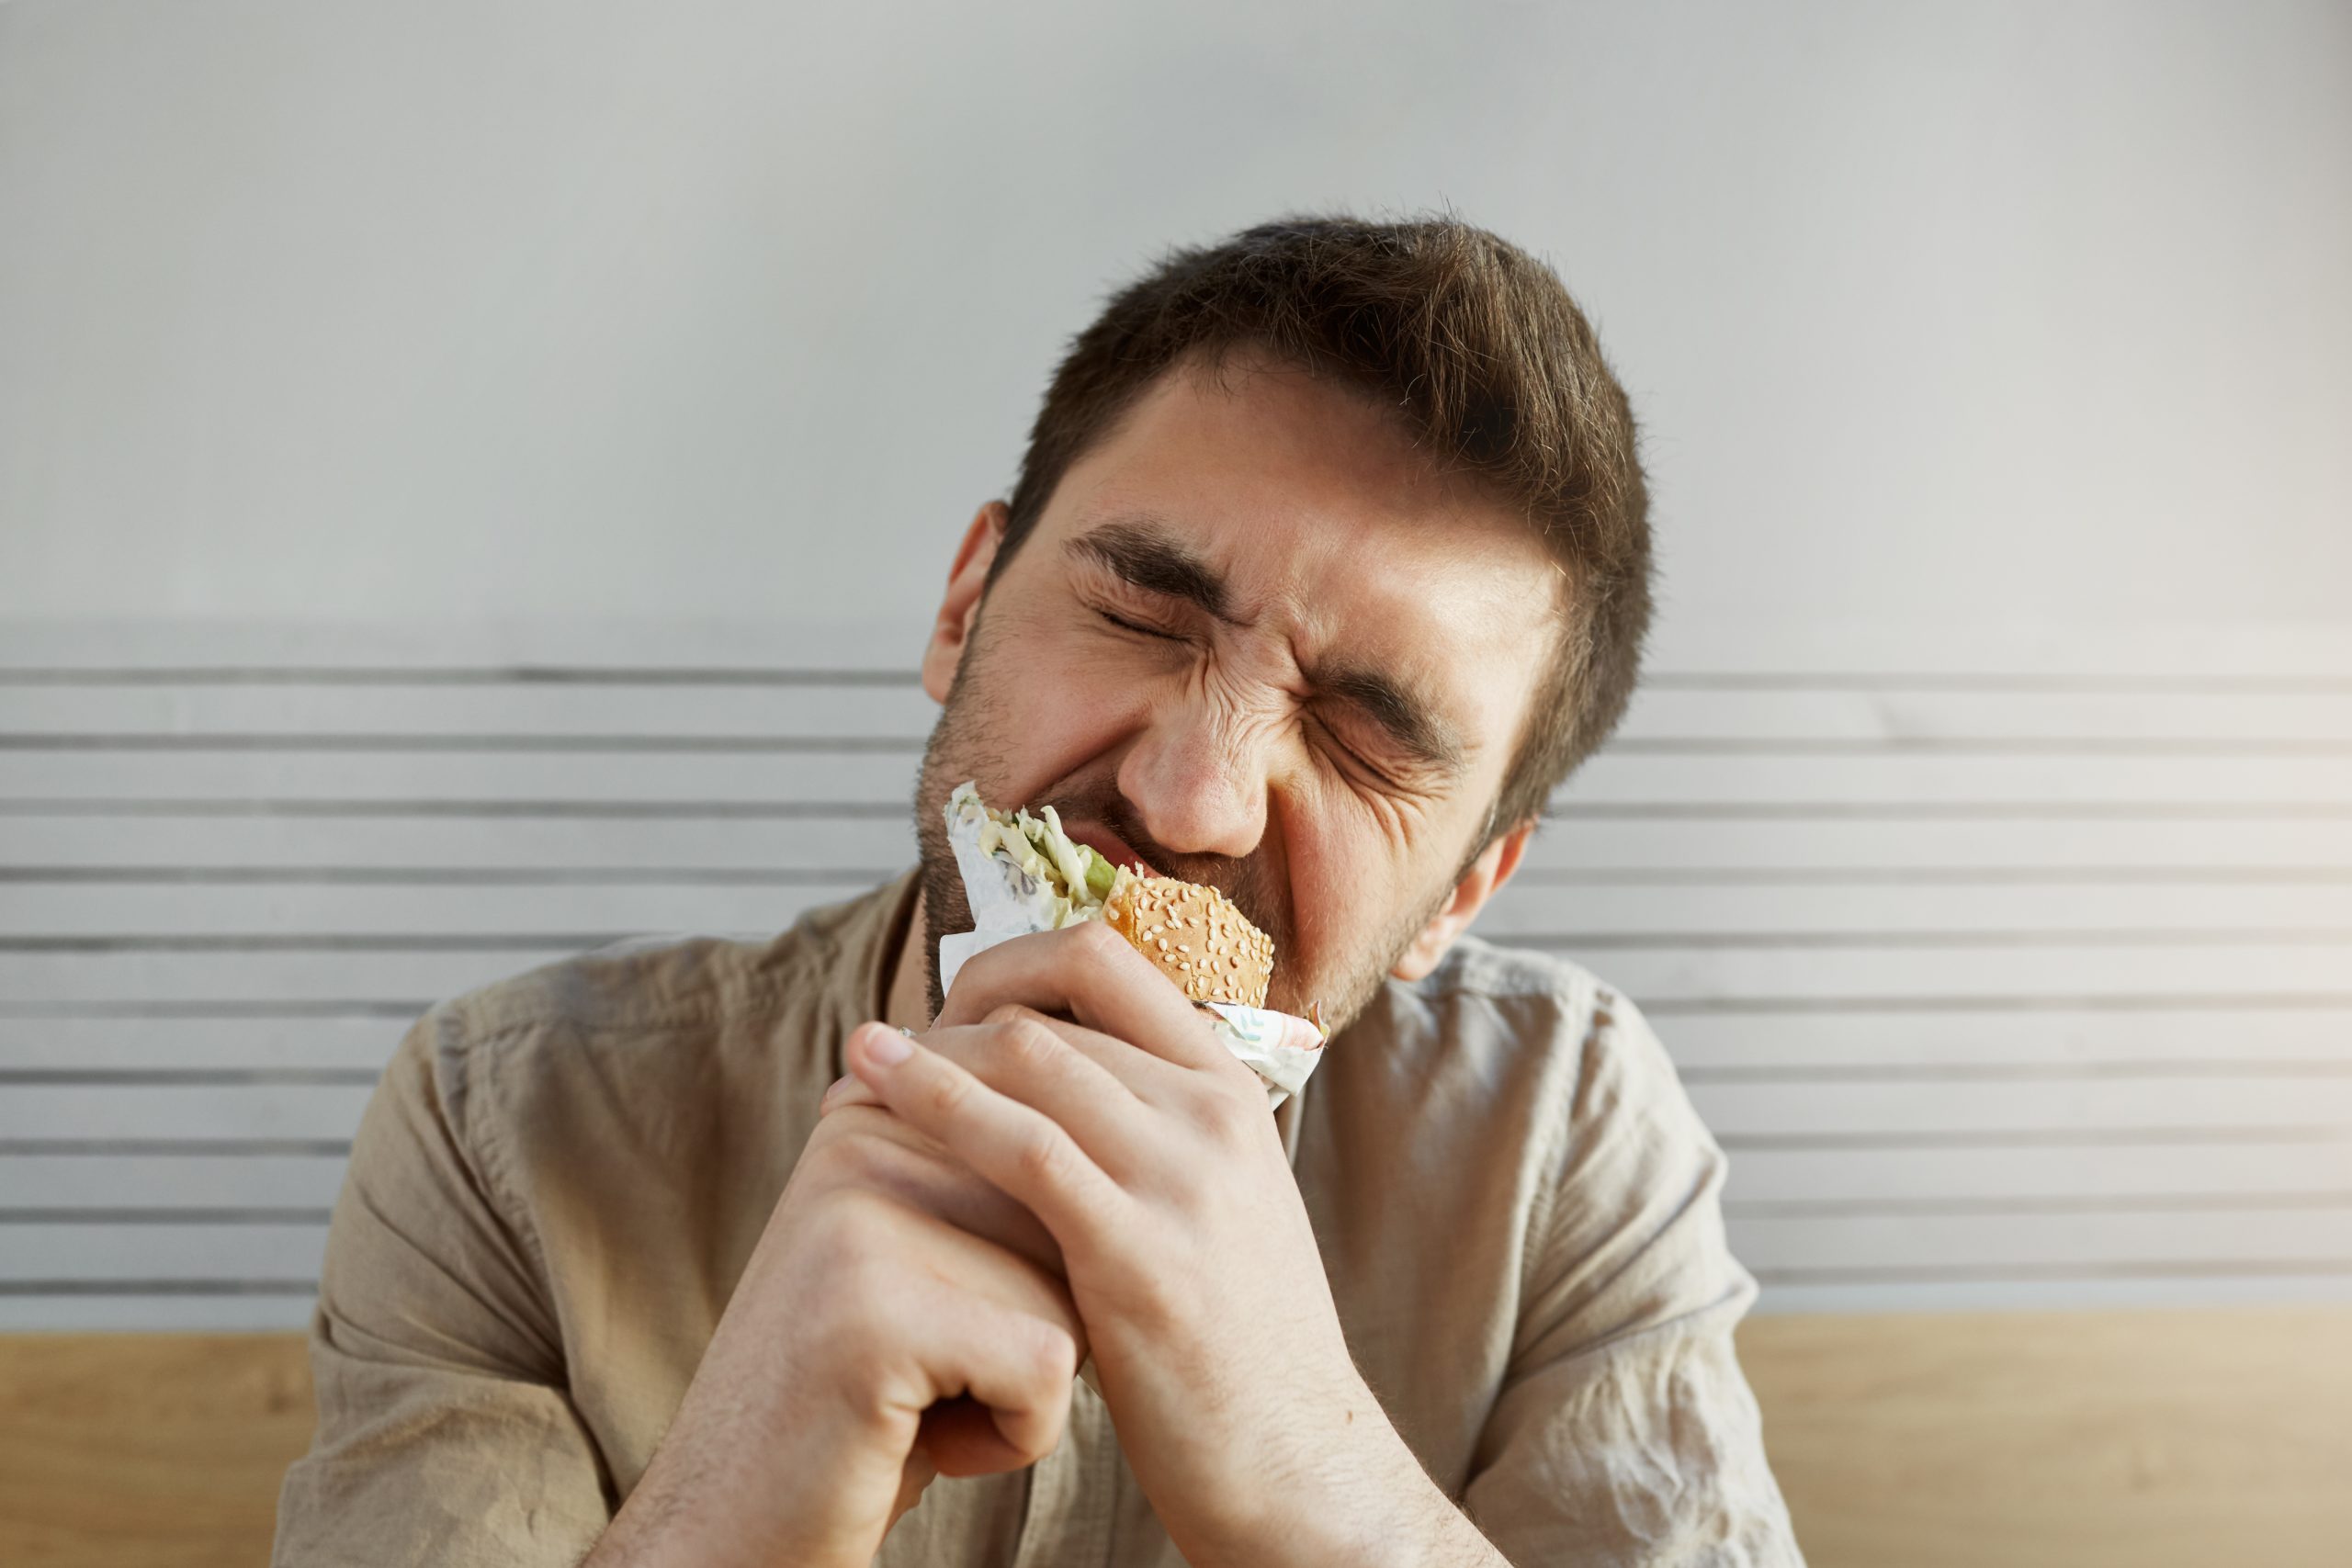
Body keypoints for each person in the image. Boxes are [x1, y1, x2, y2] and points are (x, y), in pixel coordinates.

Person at [272, 215, 1804, 1567]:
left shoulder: (1561, 1138)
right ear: (964, 608)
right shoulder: (505, 1129)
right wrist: (740, 1505)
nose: (1188, 797)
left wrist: (1308, 1476)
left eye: (1358, 737)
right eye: (1143, 613)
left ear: (1465, 890)